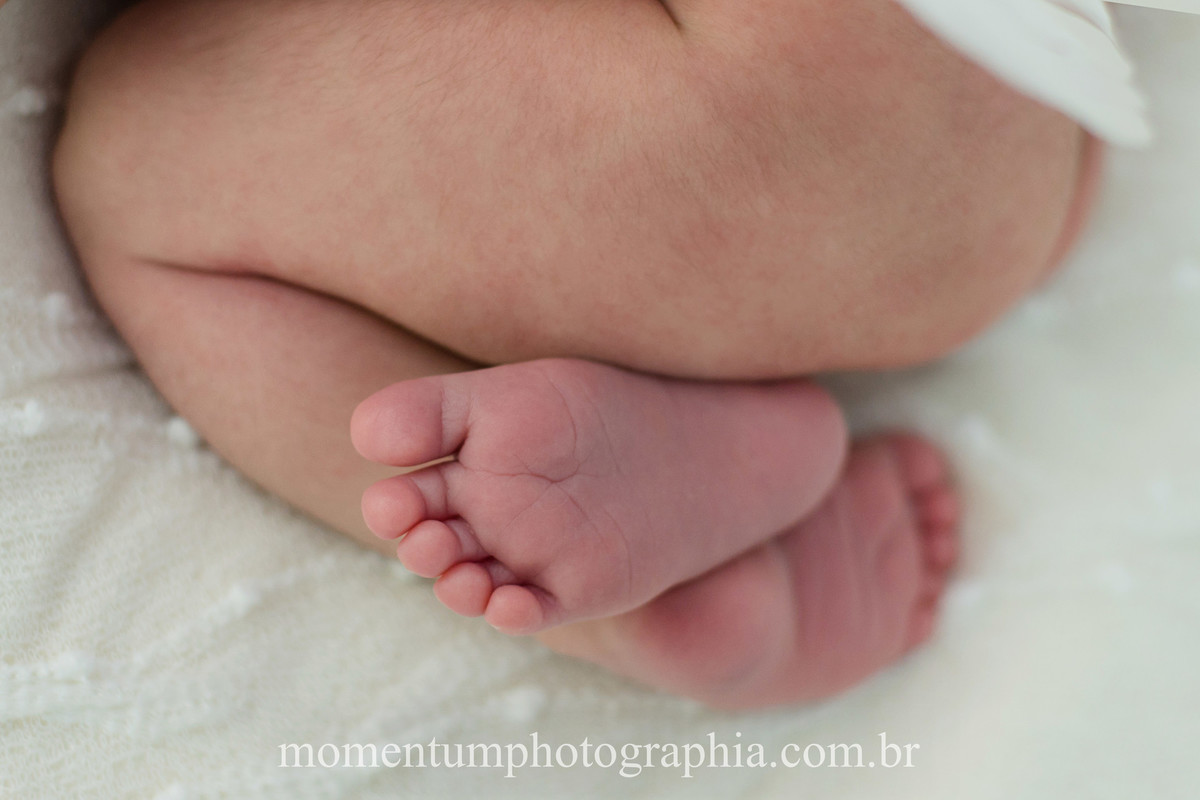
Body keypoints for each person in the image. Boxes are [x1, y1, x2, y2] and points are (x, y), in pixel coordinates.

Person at [52, 0, 1100, 708]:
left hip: (782, 103)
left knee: (134, 168)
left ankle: (623, 616)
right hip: (1034, 138)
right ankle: (661, 452)